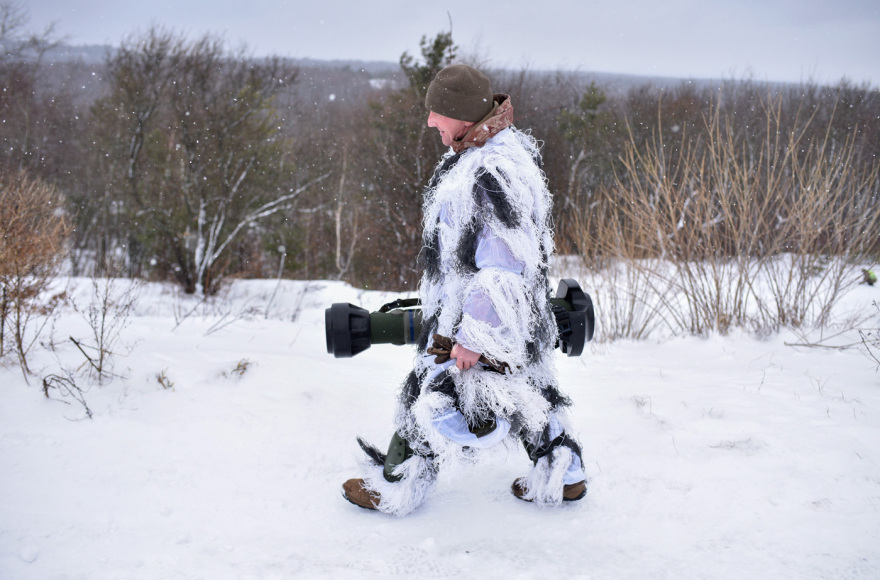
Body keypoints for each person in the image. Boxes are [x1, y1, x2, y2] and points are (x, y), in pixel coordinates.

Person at [342, 64, 586, 516]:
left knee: (428, 387)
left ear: (462, 114)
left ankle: (396, 484)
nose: (430, 121)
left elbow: (502, 266)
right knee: (530, 383)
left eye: (438, 111)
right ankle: (564, 474)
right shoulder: (489, 154)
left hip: (477, 315)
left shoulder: (492, 169)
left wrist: (473, 337)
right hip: (513, 314)